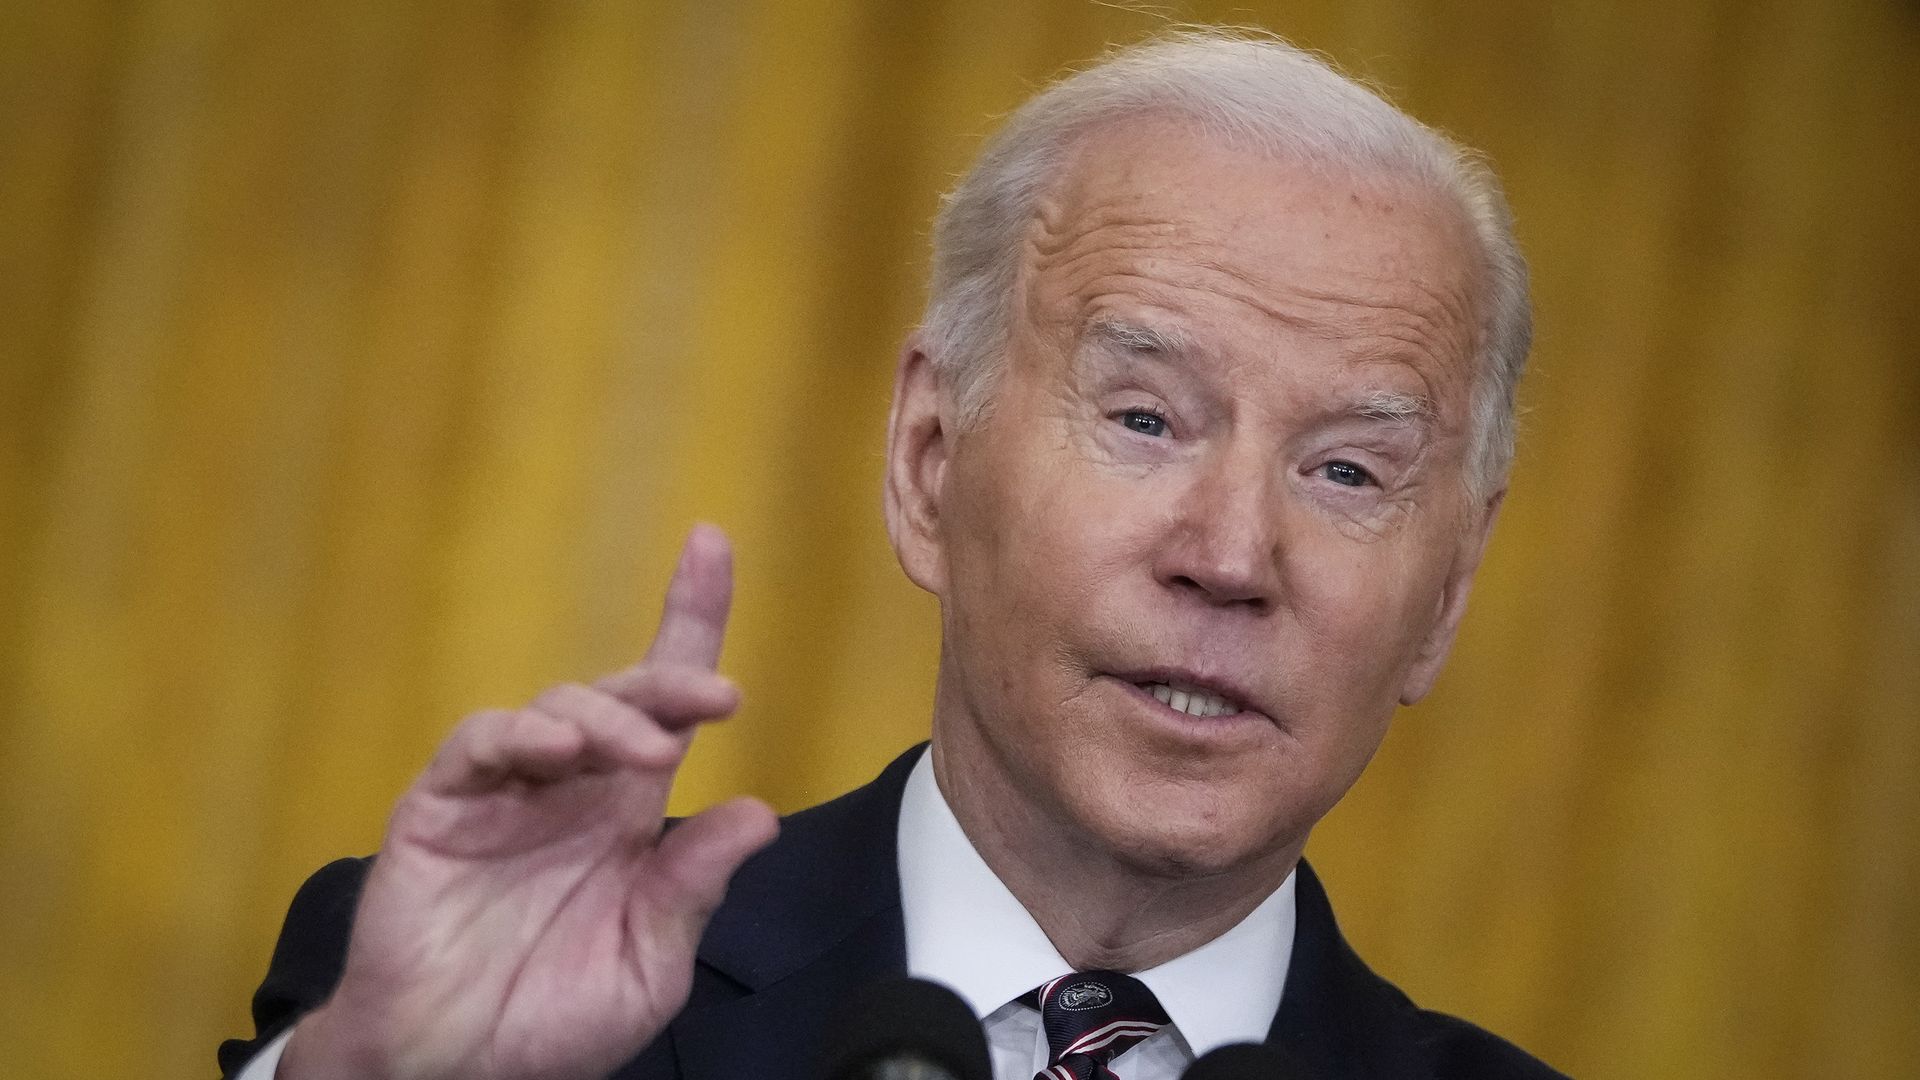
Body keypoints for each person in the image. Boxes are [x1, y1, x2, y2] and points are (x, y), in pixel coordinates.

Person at [219, 28, 1564, 1080]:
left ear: (1445, 594)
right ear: (931, 460)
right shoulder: (501, 1010)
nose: (1230, 555)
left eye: (1345, 471)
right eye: (1145, 418)